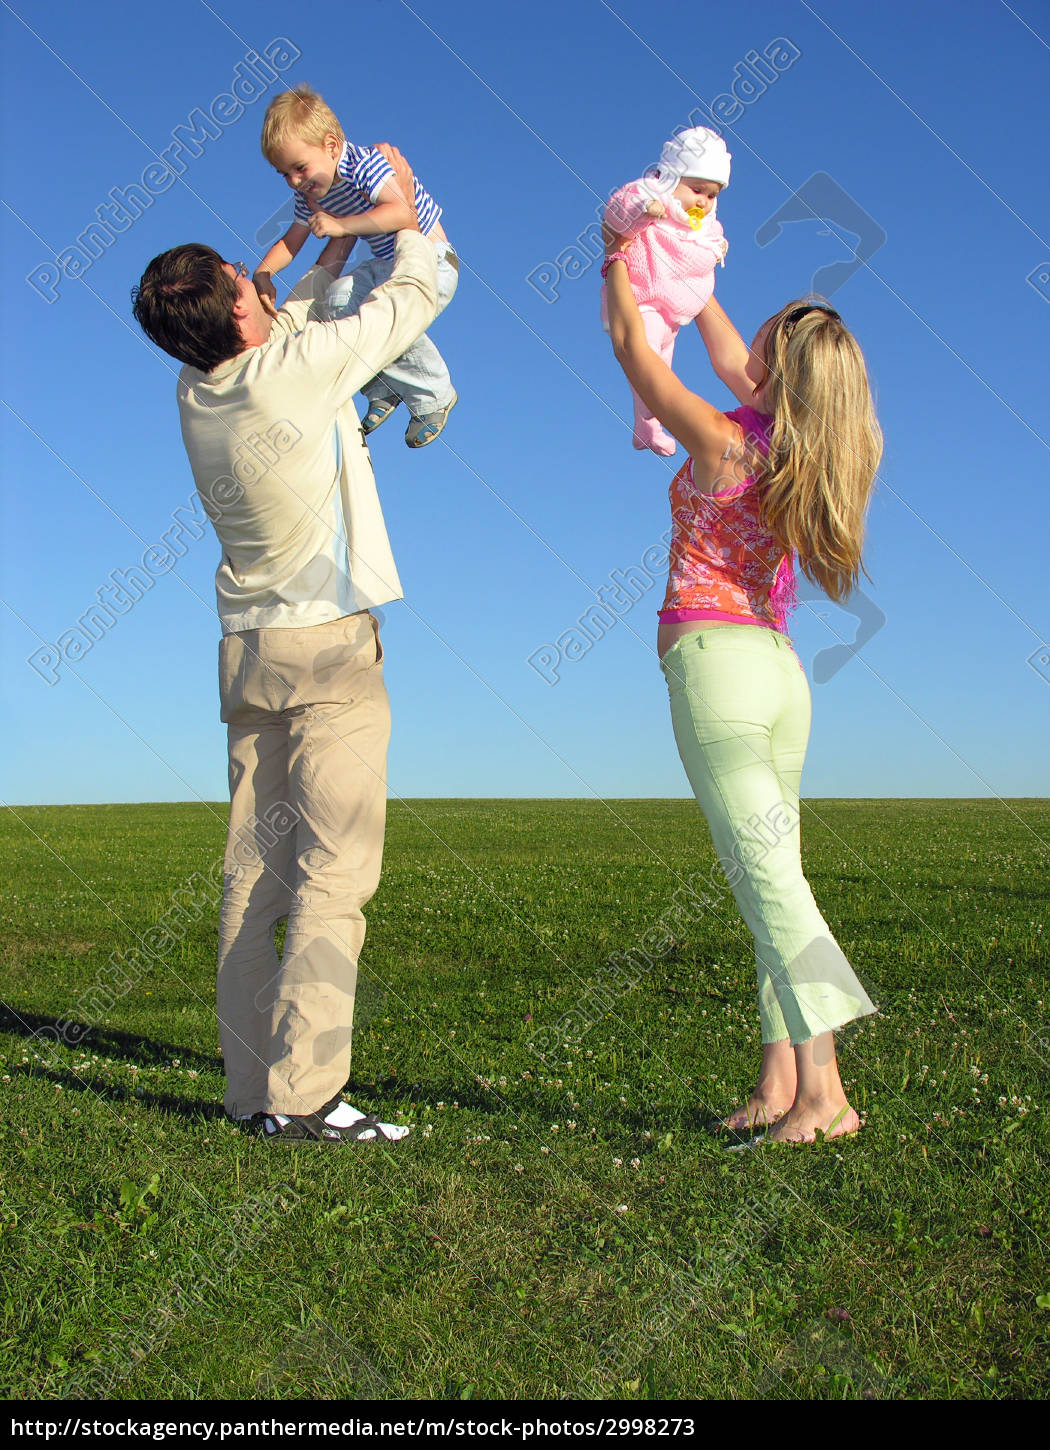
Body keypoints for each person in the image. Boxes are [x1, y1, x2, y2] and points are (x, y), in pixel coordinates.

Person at [132, 147, 437, 1144]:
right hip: (329, 654)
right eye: (242, 281)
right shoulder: (290, 375)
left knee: (253, 876)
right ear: (237, 313)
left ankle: (249, 1091)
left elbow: (285, 306)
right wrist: (402, 198)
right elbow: (422, 284)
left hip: (247, 652)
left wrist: (309, 231)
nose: (256, 284)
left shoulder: (197, 391)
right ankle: (307, 1101)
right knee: (332, 875)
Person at [603, 231, 883, 1144]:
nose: (741, 354)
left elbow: (635, 355)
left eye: (757, 344)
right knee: (770, 876)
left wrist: (615, 254)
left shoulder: (726, 444)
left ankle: (825, 1094)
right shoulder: (796, 446)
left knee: (773, 889)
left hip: (718, 673)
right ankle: (776, 1084)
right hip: (778, 676)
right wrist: (687, 264)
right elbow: (715, 340)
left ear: (772, 374)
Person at [255, 85, 458, 449]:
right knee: (333, 303)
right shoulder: (311, 194)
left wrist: (341, 226)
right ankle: (382, 386)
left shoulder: (363, 164)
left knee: (387, 314)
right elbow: (291, 241)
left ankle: (434, 396)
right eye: (284, 174)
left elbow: (402, 211)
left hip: (432, 260)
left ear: (331, 146)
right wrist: (263, 273)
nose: (295, 182)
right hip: (387, 264)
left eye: (299, 168)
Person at [601, 128, 730, 457]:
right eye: (697, 189)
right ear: (672, 178)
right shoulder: (648, 194)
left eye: (712, 195)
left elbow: (704, 246)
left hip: (673, 310)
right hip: (641, 298)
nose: (703, 201)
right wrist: (645, 210)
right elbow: (618, 215)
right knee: (648, 362)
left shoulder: (702, 224)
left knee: (662, 365)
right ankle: (655, 421)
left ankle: (645, 426)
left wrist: (717, 247)